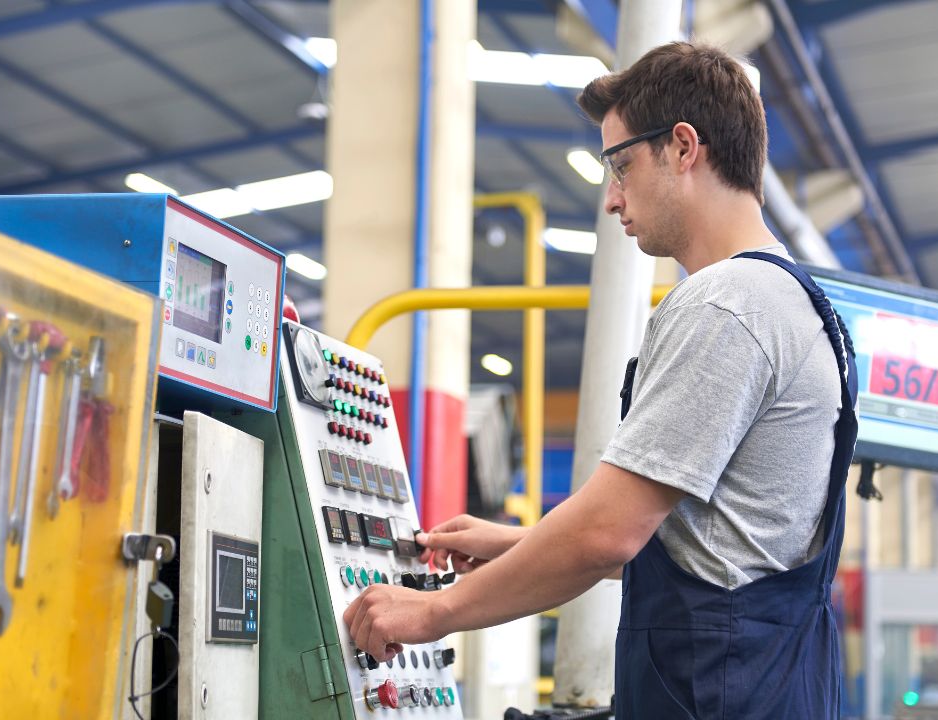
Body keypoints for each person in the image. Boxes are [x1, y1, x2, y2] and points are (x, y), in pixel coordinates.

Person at [345, 41, 858, 719]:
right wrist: (512, 544)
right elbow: (709, 553)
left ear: (682, 147)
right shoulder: (802, 305)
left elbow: (607, 534)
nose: (613, 199)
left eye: (621, 165)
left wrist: (432, 613)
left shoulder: (727, 303)